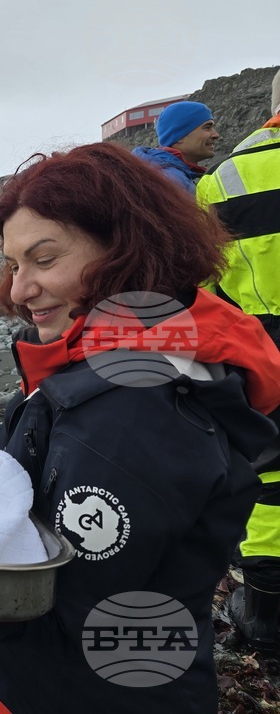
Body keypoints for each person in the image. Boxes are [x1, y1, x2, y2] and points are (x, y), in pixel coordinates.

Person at [0, 142, 280, 713]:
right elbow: (57, 464)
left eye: (44, 259)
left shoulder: (138, 404)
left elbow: (65, 603)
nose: (20, 290)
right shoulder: (115, 352)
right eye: (13, 264)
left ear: (126, 249)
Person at [196, 67, 280, 653]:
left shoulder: (225, 179)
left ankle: (268, 622)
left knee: (267, 476)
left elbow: (206, 282)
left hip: (263, 352)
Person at [132, 100, 220, 193]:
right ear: (179, 137)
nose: (216, 134)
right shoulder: (171, 181)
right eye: (206, 128)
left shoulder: (171, 175)